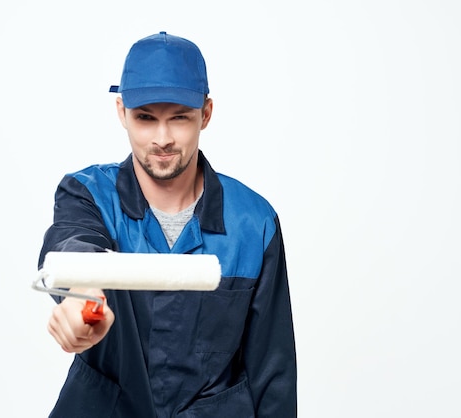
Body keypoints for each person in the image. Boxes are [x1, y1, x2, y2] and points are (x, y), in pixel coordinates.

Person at [38, 31, 297, 417]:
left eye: (179, 118)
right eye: (145, 118)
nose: (162, 139)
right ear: (122, 111)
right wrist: (85, 298)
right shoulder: (88, 194)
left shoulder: (254, 222)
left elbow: (272, 371)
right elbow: (74, 243)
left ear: (205, 114)